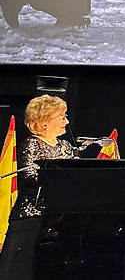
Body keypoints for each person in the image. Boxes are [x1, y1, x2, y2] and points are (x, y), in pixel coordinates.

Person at [0, 95, 78, 280]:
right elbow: (30, 179)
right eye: (62, 117)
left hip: (60, 221)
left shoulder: (66, 146)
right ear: (44, 122)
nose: (67, 121)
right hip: (30, 219)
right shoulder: (32, 144)